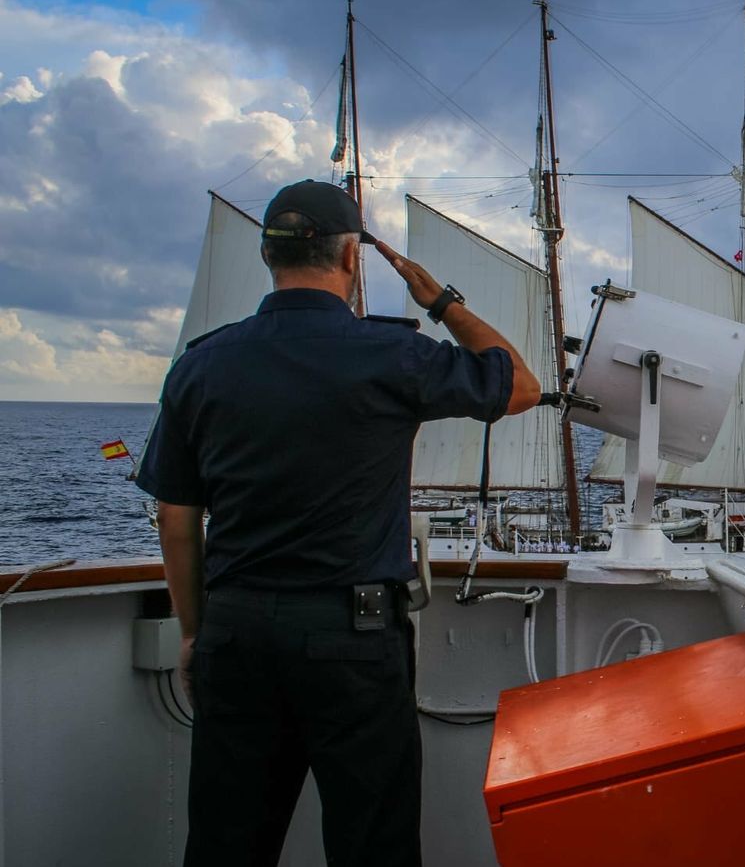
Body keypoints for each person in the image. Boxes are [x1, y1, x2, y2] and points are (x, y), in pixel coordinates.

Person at [137, 180, 541, 867]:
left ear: (267, 255)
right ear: (352, 257)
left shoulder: (200, 365)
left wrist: (196, 634)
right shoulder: (394, 355)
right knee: (373, 845)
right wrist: (439, 301)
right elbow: (521, 386)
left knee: (226, 845)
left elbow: (176, 518)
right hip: (353, 640)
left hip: (236, 635)